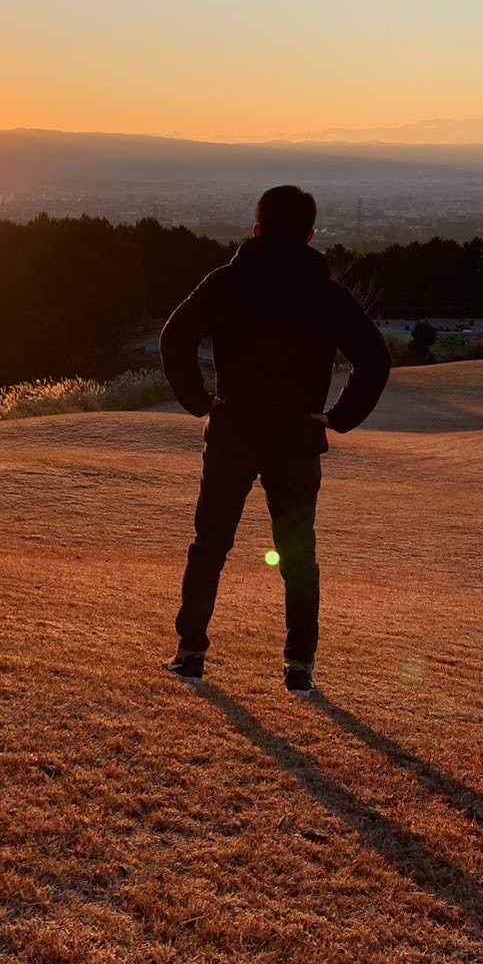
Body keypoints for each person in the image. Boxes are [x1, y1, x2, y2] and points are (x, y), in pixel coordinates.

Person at [159, 185, 390, 695]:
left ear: (256, 227)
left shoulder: (226, 281)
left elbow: (174, 336)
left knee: (209, 546)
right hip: (296, 437)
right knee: (298, 555)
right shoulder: (326, 293)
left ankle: (190, 654)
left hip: (233, 430)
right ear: (309, 234)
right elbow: (375, 359)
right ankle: (299, 668)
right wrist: (336, 417)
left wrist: (201, 401)